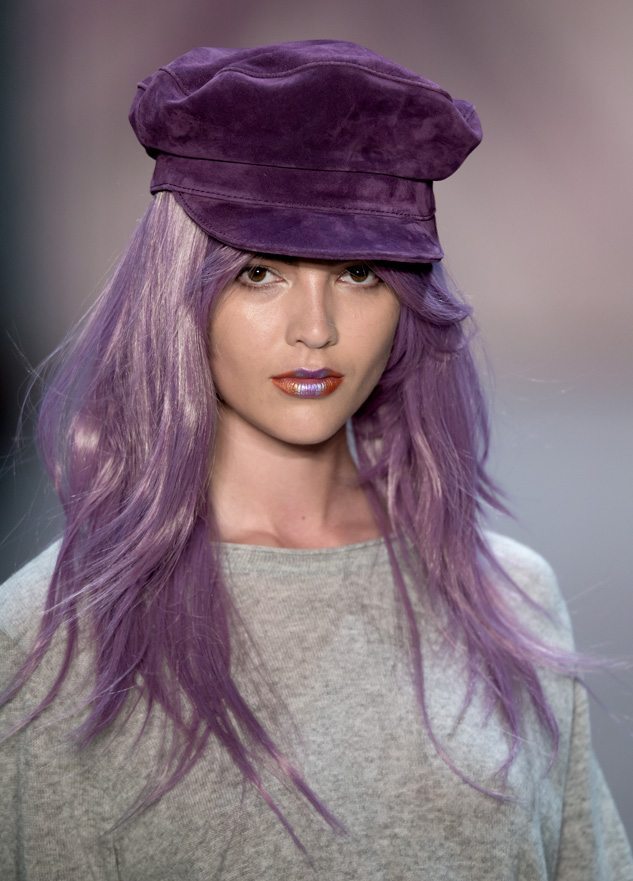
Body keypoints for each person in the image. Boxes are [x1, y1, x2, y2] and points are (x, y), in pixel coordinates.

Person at [0, 39, 631, 880]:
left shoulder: (510, 602)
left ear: (408, 302)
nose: (315, 328)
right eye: (258, 273)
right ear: (177, 290)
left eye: (359, 273)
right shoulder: (42, 637)